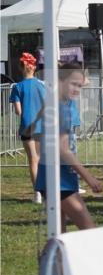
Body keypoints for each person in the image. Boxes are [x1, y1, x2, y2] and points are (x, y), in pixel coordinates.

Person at [34, 63, 103, 229]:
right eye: (73, 84)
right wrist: (89, 178)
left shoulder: (58, 104)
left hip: (57, 177)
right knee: (89, 230)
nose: (77, 89)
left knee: (58, 235)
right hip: (58, 179)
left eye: (80, 86)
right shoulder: (59, 107)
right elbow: (63, 149)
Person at [9, 52, 45, 200]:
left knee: (33, 160)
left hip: (27, 126)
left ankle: (37, 193)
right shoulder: (42, 85)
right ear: (33, 68)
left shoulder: (17, 87)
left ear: (21, 68)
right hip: (42, 126)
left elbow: (18, 111)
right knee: (41, 159)